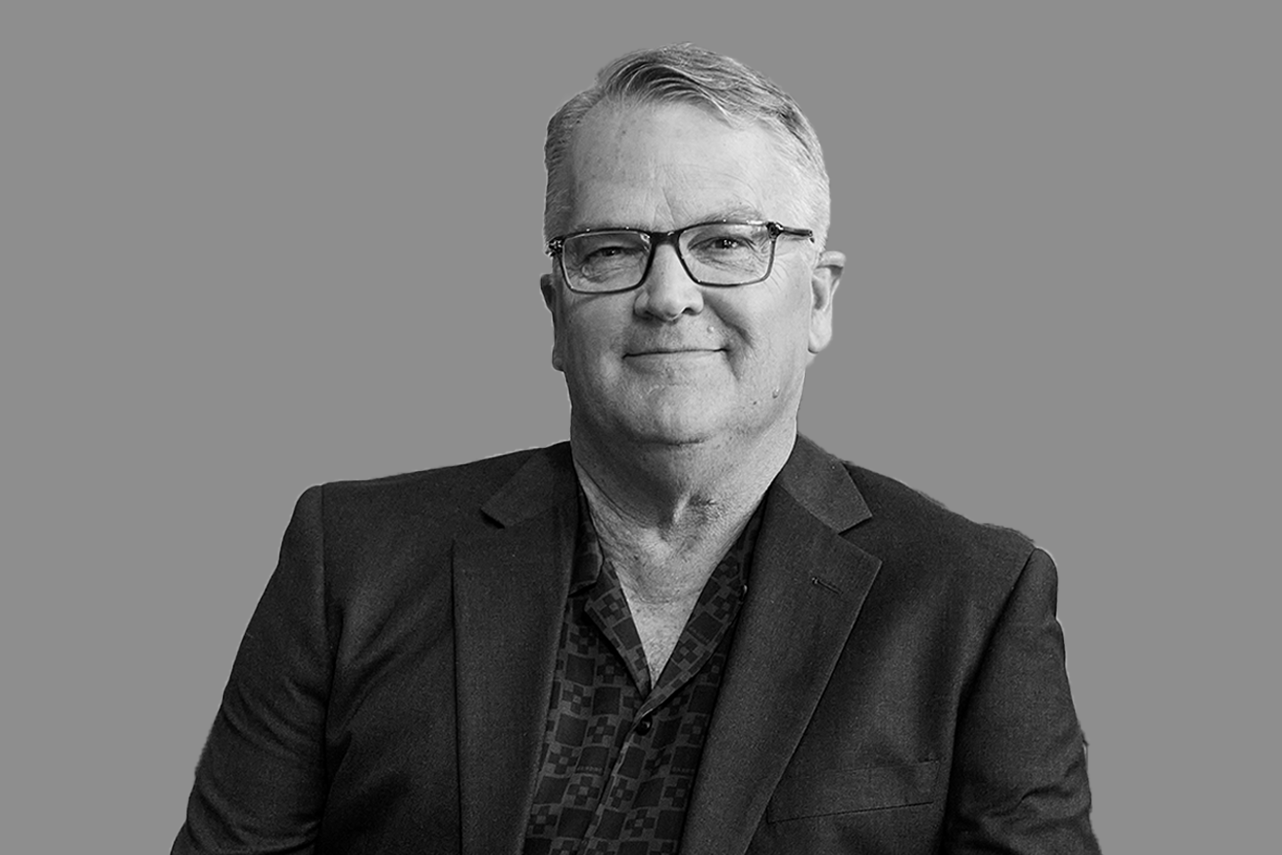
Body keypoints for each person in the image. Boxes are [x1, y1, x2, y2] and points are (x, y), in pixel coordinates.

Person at [172, 44, 1100, 854]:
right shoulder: (351, 558)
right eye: (612, 250)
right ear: (556, 310)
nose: (667, 294)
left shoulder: (974, 599)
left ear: (818, 299)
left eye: (727, 241)